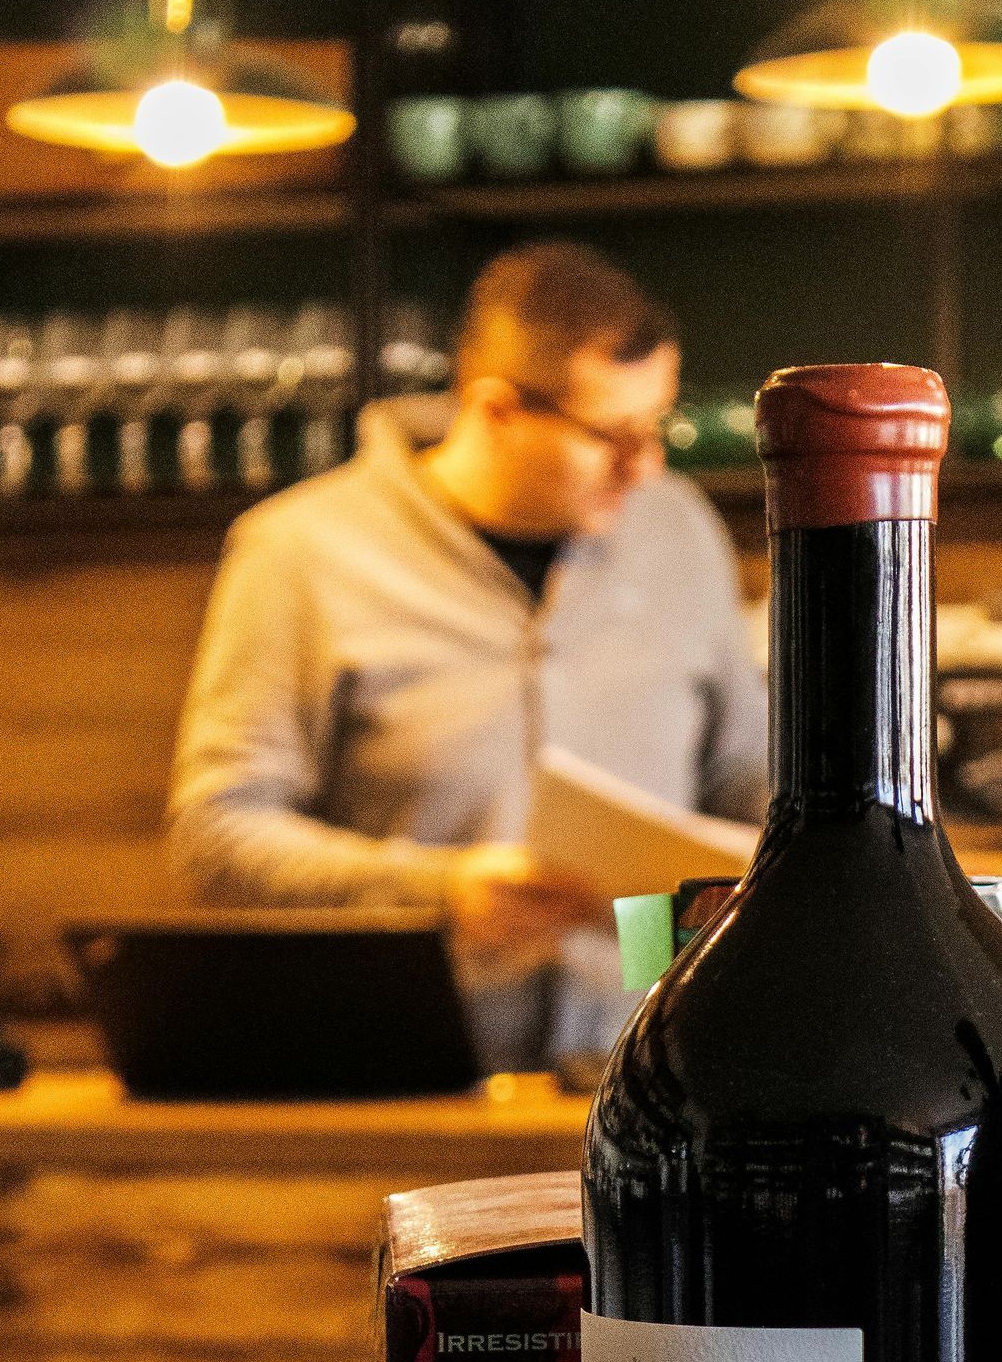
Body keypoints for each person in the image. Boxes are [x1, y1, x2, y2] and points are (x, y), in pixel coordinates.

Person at [167, 242, 768, 1064]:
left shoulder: (679, 529)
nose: (645, 466)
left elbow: (747, 778)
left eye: (655, 427)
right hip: (410, 1069)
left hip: (659, 1066)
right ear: (496, 409)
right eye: (612, 435)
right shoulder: (299, 551)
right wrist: (439, 890)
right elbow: (219, 833)